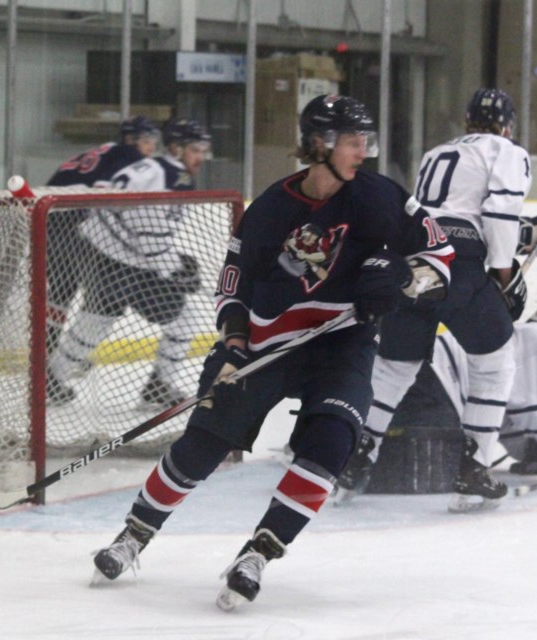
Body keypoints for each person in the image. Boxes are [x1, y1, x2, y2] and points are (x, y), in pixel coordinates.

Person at [89, 94, 455, 610]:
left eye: (364, 141)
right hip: (267, 344)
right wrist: (235, 347)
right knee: (204, 444)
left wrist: (404, 282)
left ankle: (259, 551)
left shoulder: (381, 197)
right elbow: (233, 287)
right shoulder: (270, 209)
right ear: (320, 144)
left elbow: (440, 257)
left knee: (332, 442)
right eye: (353, 141)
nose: (363, 151)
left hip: (343, 341)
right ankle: (134, 535)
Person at [338, 88, 537, 510]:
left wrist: (534, 232)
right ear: (508, 126)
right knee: (495, 359)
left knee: (395, 365)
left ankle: (356, 456)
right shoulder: (507, 150)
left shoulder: (437, 153)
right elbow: (494, 215)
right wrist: (503, 274)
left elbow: (452, 217)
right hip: (459, 268)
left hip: (414, 262)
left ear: (467, 123)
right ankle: (474, 468)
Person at [335, 296, 537, 509]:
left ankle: (348, 461)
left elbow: (508, 427)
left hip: (414, 381)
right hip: (433, 392)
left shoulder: (513, 336)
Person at [46, 119, 212, 408]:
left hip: (101, 252)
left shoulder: (155, 169)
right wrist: (175, 269)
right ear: (175, 148)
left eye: (204, 150)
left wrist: (173, 265)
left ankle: (52, 380)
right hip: (119, 261)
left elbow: (145, 230)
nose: (201, 157)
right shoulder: (168, 176)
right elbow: (148, 233)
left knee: (97, 320)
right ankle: (158, 387)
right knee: (186, 320)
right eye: (196, 149)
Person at [44, 116, 161, 356]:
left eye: (154, 141)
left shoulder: (108, 149)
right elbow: (101, 192)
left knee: (62, 289)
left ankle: (48, 353)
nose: (151, 148)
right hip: (68, 221)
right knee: (100, 292)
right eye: (147, 141)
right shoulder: (130, 155)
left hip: (48, 216)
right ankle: (62, 356)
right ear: (130, 140)